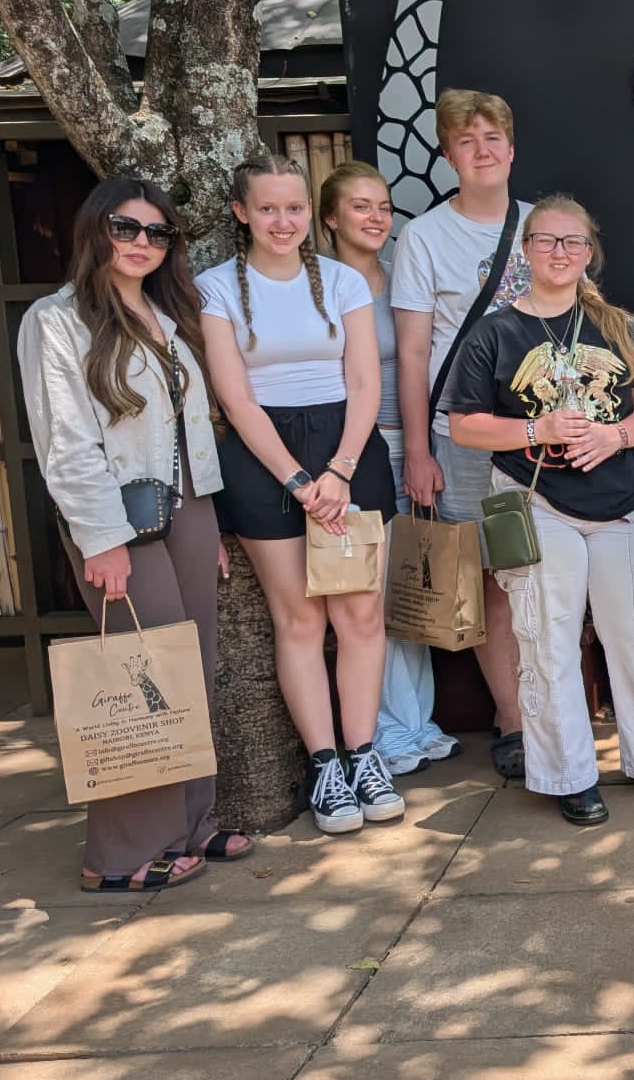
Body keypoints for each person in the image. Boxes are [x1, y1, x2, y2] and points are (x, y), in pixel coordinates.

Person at [20, 178, 253, 891]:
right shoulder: (57, 321)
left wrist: (204, 517)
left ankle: (189, 822)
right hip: (117, 518)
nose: (142, 243)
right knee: (142, 677)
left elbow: (187, 430)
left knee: (192, 666)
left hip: (183, 509)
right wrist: (100, 538)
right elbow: (65, 440)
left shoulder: (163, 313)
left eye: (158, 234)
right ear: (96, 229)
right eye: (128, 227)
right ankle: (118, 854)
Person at [445, 196, 634, 825]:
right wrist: (537, 429)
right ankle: (568, 773)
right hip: (537, 504)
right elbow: (465, 427)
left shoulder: (619, 328)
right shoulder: (494, 333)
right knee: (547, 639)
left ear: (590, 253)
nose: (560, 253)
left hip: (619, 504)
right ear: (525, 250)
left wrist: (616, 436)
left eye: (573, 242)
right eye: (547, 241)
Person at [199, 153, 403, 836]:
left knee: (360, 618)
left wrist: (340, 471)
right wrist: (296, 479)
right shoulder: (216, 288)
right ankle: (326, 767)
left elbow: (367, 382)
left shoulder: (343, 281)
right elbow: (235, 397)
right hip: (265, 461)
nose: (281, 221)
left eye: (292, 208)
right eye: (267, 208)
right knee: (300, 622)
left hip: (348, 448)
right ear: (242, 213)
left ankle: (366, 754)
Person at [390, 90, 532, 780]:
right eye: (467, 139)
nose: (483, 148)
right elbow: (413, 353)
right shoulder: (423, 238)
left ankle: (557, 710)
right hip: (465, 435)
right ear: (447, 155)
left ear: (511, 146)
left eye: (493, 135)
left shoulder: (545, 228)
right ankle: (512, 718)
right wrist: (418, 451)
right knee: (491, 584)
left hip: (546, 437)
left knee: (551, 577)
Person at [320, 162, 458, 776]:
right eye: (360, 207)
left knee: (408, 588)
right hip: (356, 452)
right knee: (364, 597)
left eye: (383, 207)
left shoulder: (405, 273)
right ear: (330, 218)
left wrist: (424, 446)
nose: (376, 217)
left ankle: (416, 721)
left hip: (414, 444)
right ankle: (380, 732)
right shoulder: (317, 286)